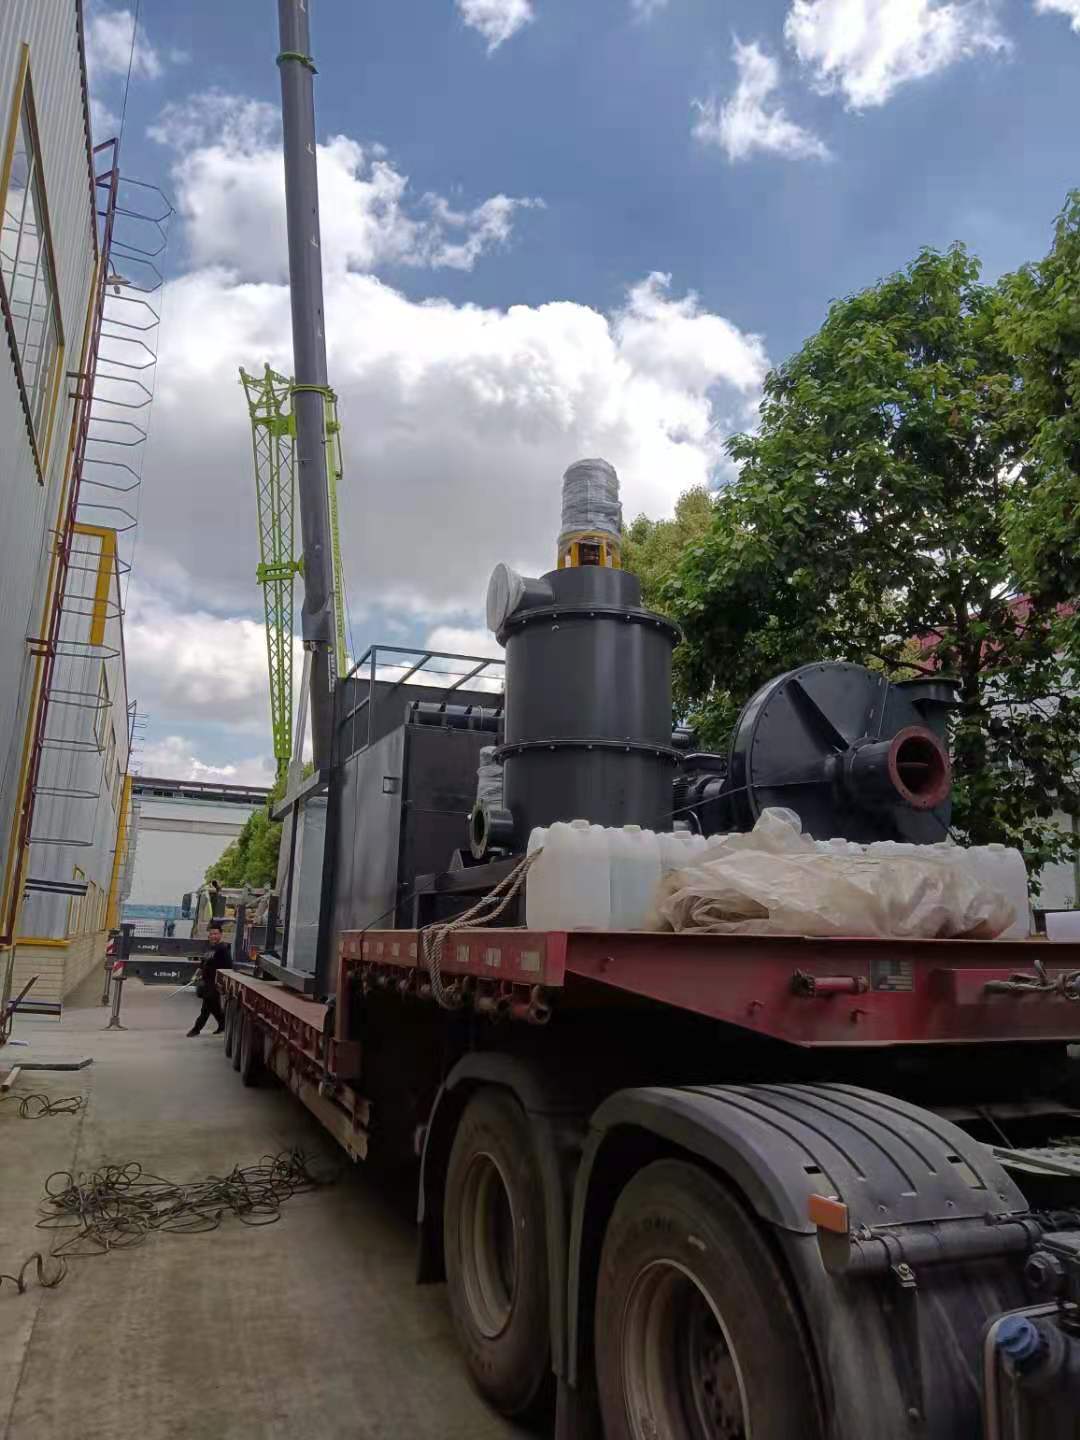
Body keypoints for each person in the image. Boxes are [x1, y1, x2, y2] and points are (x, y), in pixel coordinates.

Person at [186, 922, 232, 1037]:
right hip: (206, 982)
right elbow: (202, 965)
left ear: (221, 935)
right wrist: (195, 976)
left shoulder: (223, 949)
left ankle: (197, 1029)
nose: (213, 936)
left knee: (209, 1006)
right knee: (210, 1007)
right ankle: (222, 1024)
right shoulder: (209, 949)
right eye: (211, 934)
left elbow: (228, 967)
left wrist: (222, 983)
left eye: (216, 934)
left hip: (215, 983)